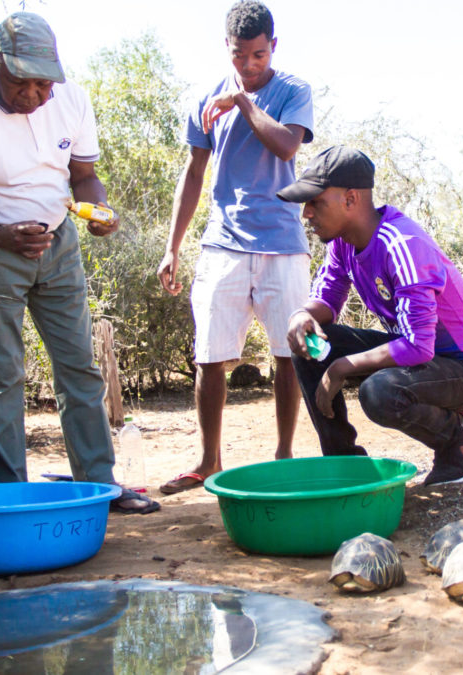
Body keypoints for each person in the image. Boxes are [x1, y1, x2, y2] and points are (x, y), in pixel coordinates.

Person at [0, 12, 158, 513]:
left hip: (59, 245)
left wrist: (98, 210)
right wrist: (2, 236)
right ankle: (6, 497)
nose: (36, 94)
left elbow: (84, 175)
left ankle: (99, 484)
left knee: (79, 365)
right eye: (23, 82)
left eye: (44, 83)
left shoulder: (72, 100)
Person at [156, 1, 313, 494]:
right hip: (222, 242)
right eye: (240, 55)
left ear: (274, 47)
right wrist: (172, 246)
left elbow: (287, 146)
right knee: (209, 354)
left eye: (259, 55)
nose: (249, 65)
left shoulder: (293, 90)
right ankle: (208, 461)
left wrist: (243, 103)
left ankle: (285, 456)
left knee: (288, 353)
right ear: (227, 48)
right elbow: (195, 173)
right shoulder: (205, 98)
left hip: (282, 243)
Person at [279, 146, 463, 485]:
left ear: (349, 199)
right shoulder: (342, 244)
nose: (306, 213)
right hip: (416, 355)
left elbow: (419, 347)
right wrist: (300, 316)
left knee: (380, 392)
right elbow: (327, 300)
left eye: (315, 201)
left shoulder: (402, 244)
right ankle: (344, 465)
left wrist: (341, 367)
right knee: (310, 344)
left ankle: (457, 437)